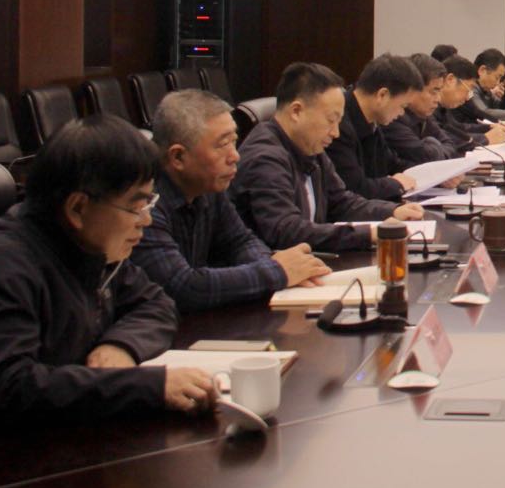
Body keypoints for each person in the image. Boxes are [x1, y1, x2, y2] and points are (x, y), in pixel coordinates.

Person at [0, 116, 217, 425]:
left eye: (148, 205)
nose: (146, 220)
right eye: (135, 207)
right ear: (77, 208)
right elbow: (9, 388)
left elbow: (156, 303)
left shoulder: (87, 244)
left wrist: (121, 346)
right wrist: (149, 387)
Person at [135, 90, 331, 311]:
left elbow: (240, 241)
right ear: (178, 156)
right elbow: (183, 286)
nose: (235, 156)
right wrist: (277, 271)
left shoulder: (209, 185)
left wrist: (271, 263)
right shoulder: (144, 204)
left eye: (234, 141)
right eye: (222, 144)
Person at [230, 62, 422, 252]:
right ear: (296, 111)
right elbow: (286, 230)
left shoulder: (311, 148)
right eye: (331, 120)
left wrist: (391, 211)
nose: (336, 133)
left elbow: (342, 203)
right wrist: (368, 234)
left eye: (339, 122)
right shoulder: (265, 158)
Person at [326, 53, 425, 200]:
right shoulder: (338, 125)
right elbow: (354, 188)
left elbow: (391, 164)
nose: (401, 114)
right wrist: (395, 184)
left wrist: (433, 175)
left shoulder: (371, 122)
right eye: (403, 106)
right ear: (382, 95)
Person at [385, 53, 467, 165]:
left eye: (439, 91)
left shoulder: (424, 116)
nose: (438, 99)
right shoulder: (393, 118)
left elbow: (450, 145)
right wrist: (436, 147)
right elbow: (423, 156)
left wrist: (433, 148)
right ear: (412, 88)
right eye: (433, 91)